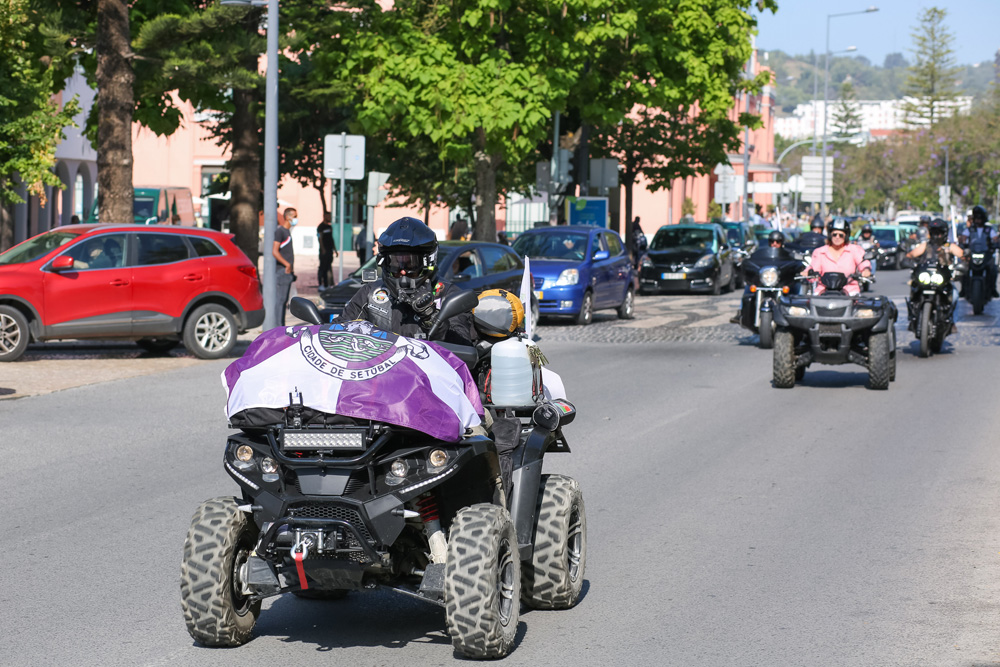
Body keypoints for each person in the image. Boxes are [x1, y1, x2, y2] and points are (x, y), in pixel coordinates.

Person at [336, 216, 476, 345]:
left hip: (426, 365)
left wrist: (431, 317)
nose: (402, 271)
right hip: (380, 364)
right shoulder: (371, 293)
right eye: (395, 263)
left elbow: (462, 346)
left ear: (428, 262)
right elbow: (338, 330)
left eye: (410, 264)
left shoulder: (448, 296)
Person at [805, 219, 871, 296]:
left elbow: (862, 262)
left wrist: (866, 270)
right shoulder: (819, 252)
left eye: (841, 235)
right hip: (823, 291)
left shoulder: (854, 250)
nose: (837, 237)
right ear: (830, 235)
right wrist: (807, 272)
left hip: (850, 291)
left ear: (846, 236)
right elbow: (813, 268)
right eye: (834, 234)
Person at [958, 204, 998, 297]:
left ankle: (993, 289)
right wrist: (962, 242)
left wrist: (996, 243)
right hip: (972, 253)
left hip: (986, 254)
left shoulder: (989, 229)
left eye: (980, 218)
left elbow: (995, 238)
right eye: (976, 218)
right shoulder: (970, 229)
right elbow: (963, 237)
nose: (978, 220)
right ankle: (963, 289)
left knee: (993, 269)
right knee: (963, 269)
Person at [272, 208, 296, 326]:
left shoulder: (287, 232)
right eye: (294, 216)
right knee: (280, 301)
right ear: (287, 217)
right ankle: (279, 327)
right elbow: (275, 251)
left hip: (287, 272)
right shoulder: (280, 231)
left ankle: (281, 325)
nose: (296, 219)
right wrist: (287, 264)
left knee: (284, 300)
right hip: (282, 271)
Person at [316, 212, 338, 289]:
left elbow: (331, 238)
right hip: (324, 251)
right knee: (323, 267)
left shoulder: (329, 227)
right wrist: (323, 249)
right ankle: (321, 284)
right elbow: (320, 238)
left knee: (328, 267)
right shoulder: (320, 227)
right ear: (325, 216)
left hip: (329, 250)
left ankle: (327, 284)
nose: (330, 218)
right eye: (328, 216)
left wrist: (335, 249)